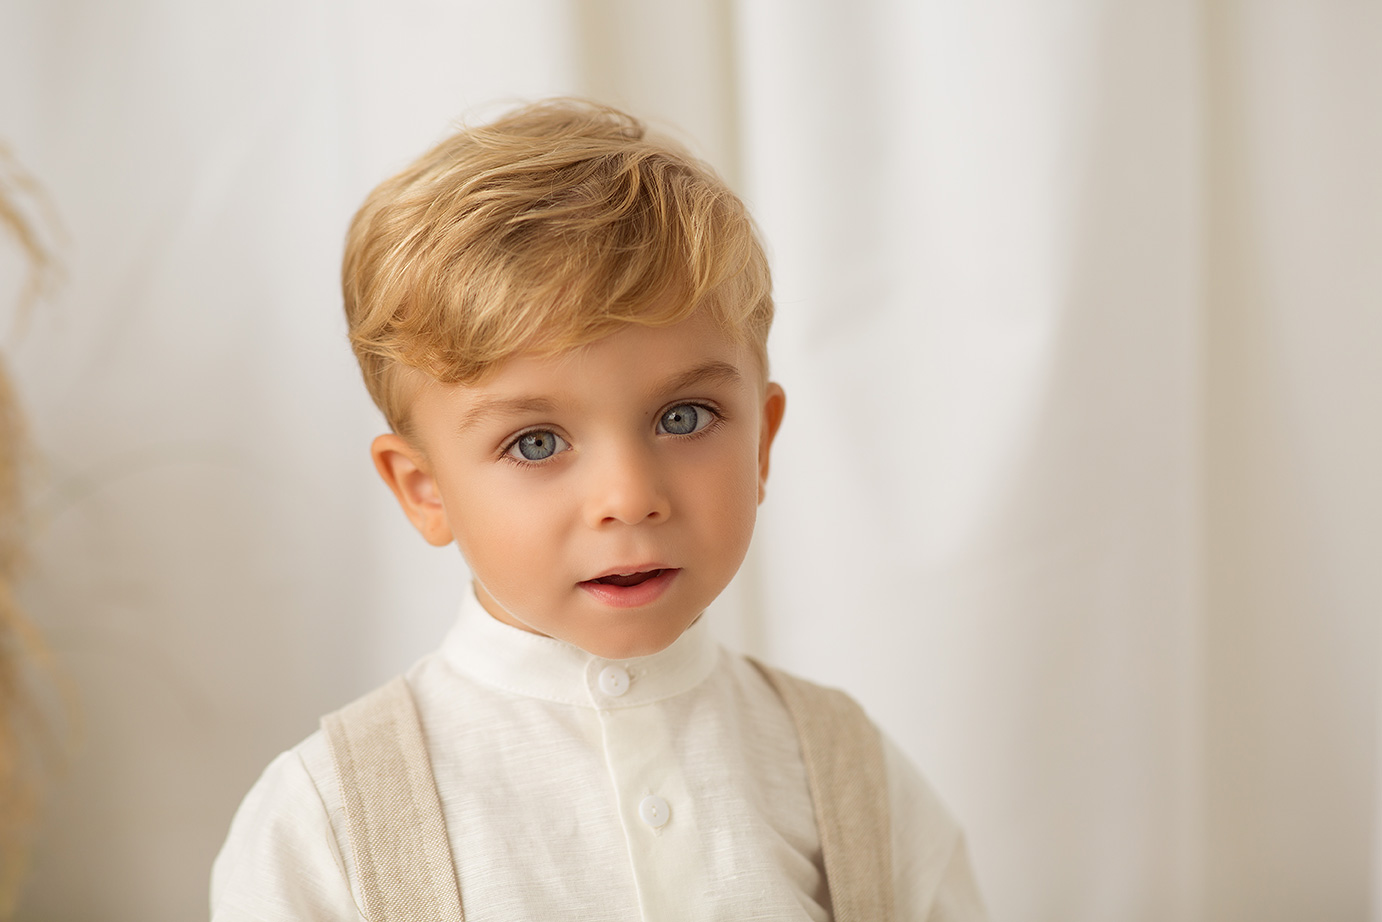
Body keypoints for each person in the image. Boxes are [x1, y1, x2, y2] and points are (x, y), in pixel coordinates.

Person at [210, 99, 987, 921]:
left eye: (683, 418)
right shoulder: (323, 821)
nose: (629, 498)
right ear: (424, 489)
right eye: (537, 443)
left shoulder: (847, 773)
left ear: (761, 444)